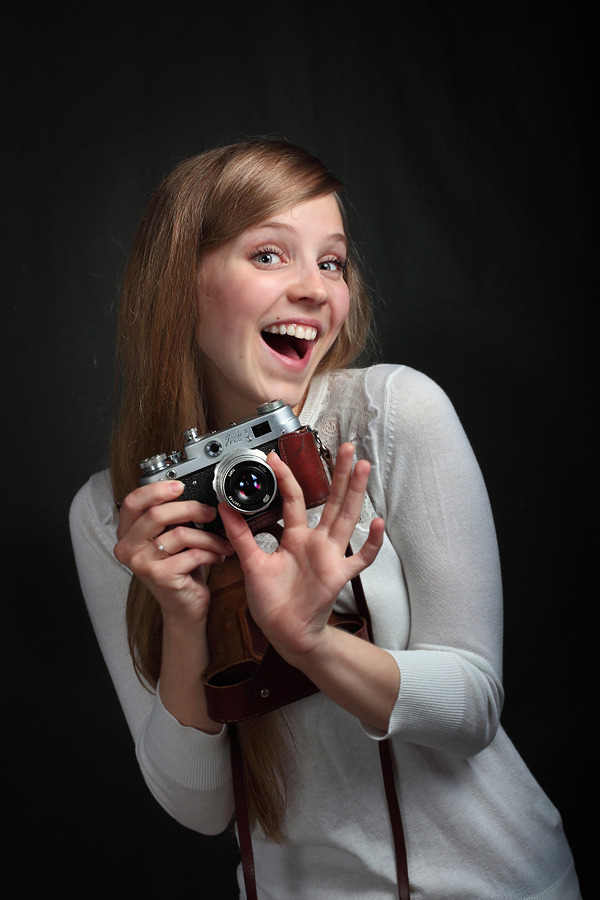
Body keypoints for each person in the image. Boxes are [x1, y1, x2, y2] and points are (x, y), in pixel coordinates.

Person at [69, 138, 581, 899]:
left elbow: (472, 709)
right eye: (271, 255)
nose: (314, 288)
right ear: (181, 281)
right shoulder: (115, 511)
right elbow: (203, 809)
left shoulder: (389, 414)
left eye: (332, 261)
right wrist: (184, 622)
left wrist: (309, 643)